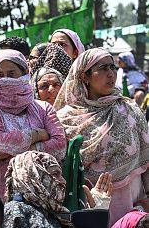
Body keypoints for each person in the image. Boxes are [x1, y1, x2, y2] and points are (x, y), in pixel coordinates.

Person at [54, 48, 149, 226]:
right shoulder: (65, 118)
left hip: (133, 202)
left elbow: (147, 156)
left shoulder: (128, 109)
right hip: (89, 203)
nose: (111, 74)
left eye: (112, 67)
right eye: (103, 68)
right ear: (85, 76)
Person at [0, 49, 66, 199]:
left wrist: (10, 151)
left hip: (43, 192)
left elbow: (60, 146)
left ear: (24, 75)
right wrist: (37, 135)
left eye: (11, 74)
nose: (5, 80)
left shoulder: (43, 108)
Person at [4, 151, 114, 228]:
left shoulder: (59, 213)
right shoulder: (15, 212)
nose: (63, 181)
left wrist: (96, 213)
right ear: (34, 177)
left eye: (61, 175)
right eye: (55, 174)